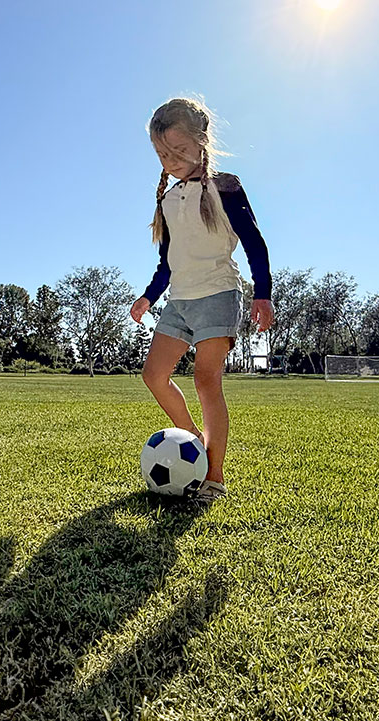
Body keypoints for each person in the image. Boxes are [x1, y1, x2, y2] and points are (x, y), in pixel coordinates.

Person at [130, 97, 274, 505]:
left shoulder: (225, 186)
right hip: (179, 301)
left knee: (206, 379)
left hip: (218, 293)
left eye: (178, 150)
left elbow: (254, 243)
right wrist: (148, 296)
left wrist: (262, 293)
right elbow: (167, 263)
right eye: (163, 154)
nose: (171, 161)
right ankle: (193, 440)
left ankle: (214, 476)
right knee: (154, 375)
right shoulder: (167, 200)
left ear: (201, 141)